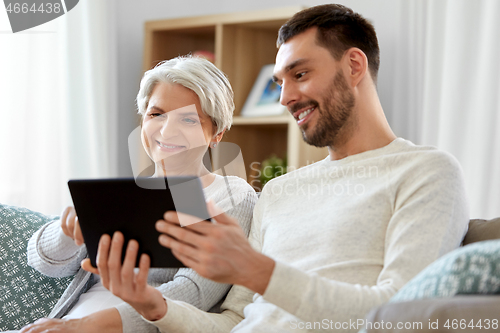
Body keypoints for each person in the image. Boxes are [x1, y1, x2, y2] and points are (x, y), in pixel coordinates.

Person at [84, 4, 470, 333]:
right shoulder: (279, 191)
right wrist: (155, 306)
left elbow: (400, 314)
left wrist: (257, 270)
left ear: (354, 65)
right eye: (279, 82)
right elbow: (235, 318)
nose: (285, 98)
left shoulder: (425, 172)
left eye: (300, 74)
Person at [20, 56, 257, 333]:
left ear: (217, 133)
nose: (167, 130)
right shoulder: (122, 192)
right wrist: (69, 230)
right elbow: (43, 264)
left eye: (189, 119)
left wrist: (83, 326)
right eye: (156, 114)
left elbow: (193, 293)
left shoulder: (230, 195)